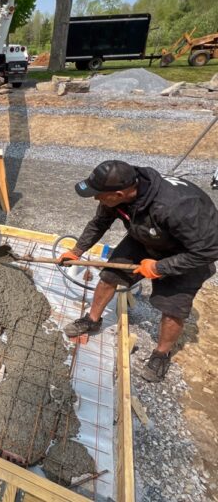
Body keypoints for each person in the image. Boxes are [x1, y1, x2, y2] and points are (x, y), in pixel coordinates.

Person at [61, 160, 218, 382]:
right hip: (146, 237)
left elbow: (209, 250)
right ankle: (92, 319)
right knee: (108, 277)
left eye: (99, 195)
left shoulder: (177, 207)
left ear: (119, 193)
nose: (97, 198)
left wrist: (160, 267)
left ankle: (161, 354)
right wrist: (76, 251)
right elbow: (99, 223)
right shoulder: (118, 196)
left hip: (187, 253)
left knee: (173, 308)